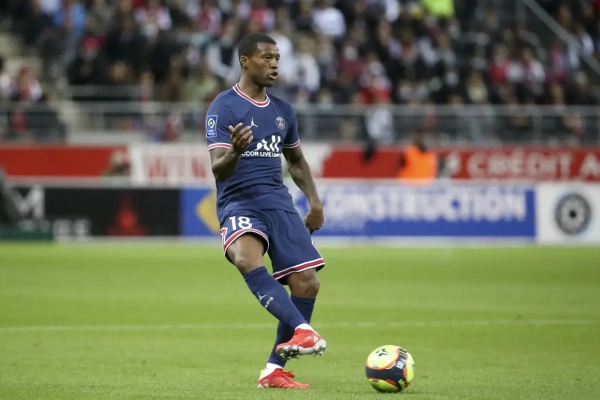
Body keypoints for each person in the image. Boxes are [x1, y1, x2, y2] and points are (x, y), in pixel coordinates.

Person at [205, 32, 327, 389]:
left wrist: (315, 202)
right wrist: (235, 151)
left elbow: (297, 162)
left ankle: (274, 370)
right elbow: (218, 169)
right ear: (245, 61)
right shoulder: (223, 107)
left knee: (307, 283)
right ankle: (303, 330)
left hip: (278, 202)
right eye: (267, 57)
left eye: (277, 58)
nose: (274, 64)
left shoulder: (283, 110)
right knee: (246, 258)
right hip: (239, 201)